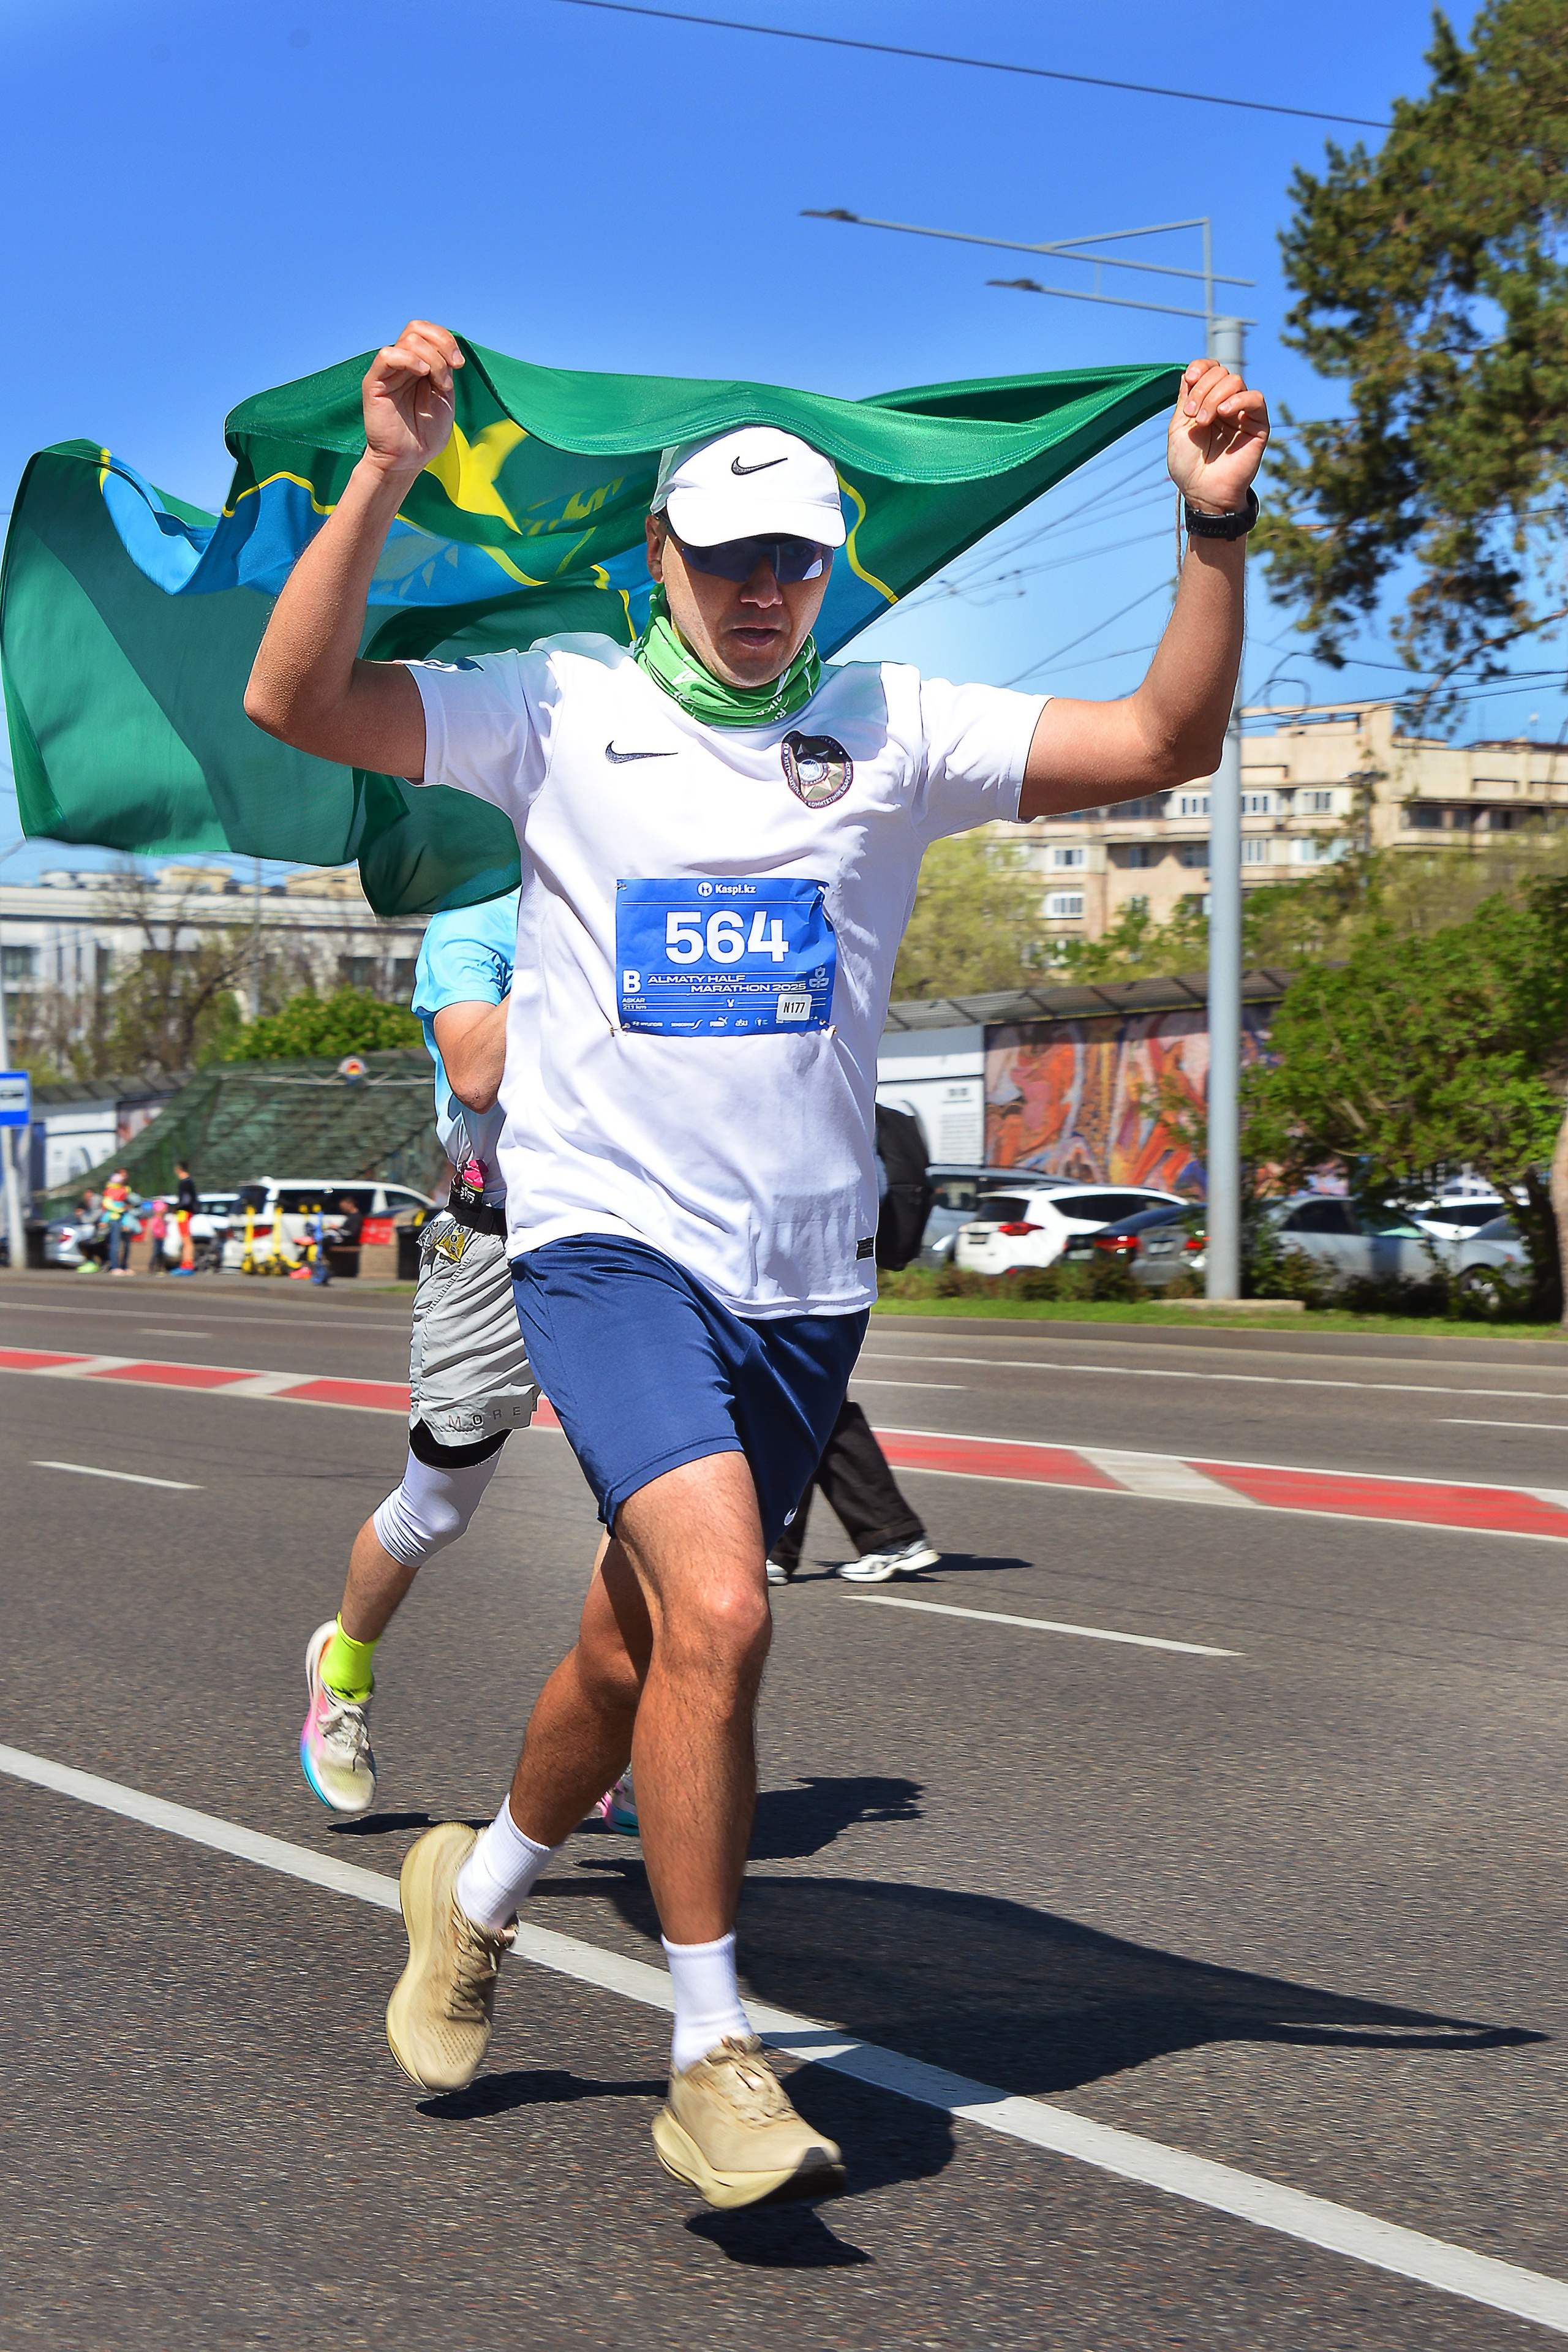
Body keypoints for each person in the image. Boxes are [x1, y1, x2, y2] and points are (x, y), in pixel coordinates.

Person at [247, 320, 1267, 2208]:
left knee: (635, 1640)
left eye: (791, 559)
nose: (756, 592)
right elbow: (296, 699)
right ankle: (712, 2049)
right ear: (661, 560)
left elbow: (1164, 742)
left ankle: (475, 1891)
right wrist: (385, 468)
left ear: (829, 567)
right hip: (604, 1250)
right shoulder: (553, 707)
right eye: (723, 559)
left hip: (801, 1283)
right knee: (722, 1611)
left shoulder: (893, 725)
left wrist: (1211, 531)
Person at [297, 895, 626, 1827]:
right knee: (436, 1507)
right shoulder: (475, 921)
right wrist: (574, 943)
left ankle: (614, 1720)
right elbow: (477, 1073)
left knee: (648, 1496)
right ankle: (342, 1672)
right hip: (489, 1241)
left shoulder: (628, 888)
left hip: (616, 1240)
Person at [102, 1169, 135, 1276]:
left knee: (126, 1245)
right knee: (115, 1244)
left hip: (125, 1219)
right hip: (115, 1219)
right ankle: (115, 1267)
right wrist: (120, 1209)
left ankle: (124, 1266)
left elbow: (131, 1202)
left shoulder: (126, 1190)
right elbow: (107, 1204)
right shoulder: (110, 1190)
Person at [170, 1161, 199, 1275]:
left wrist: (177, 1208)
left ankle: (188, 1265)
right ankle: (185, 1264)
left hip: (184, 1212)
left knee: (186, 1239)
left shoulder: (186, 1182)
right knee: (185, 1239)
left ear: (179, 1169)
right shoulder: (188, 1182)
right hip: (184, 1212)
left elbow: (186, 1199)